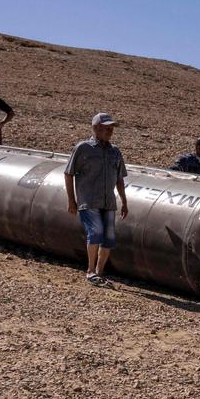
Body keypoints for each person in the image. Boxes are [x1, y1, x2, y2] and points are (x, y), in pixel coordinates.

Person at [64, 113, 129, 286]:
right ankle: (90, 270)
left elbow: (120, 178)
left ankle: (99, 274)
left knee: (108, 237)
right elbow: (68, 173)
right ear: (95, 128)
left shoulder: (115, 151)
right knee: (96, 232)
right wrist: (72, 200)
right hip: (89, 200)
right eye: (106, 128)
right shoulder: (83, 148)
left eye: (111, 129)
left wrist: (124, 201)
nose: (110, 132)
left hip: (108, 202)